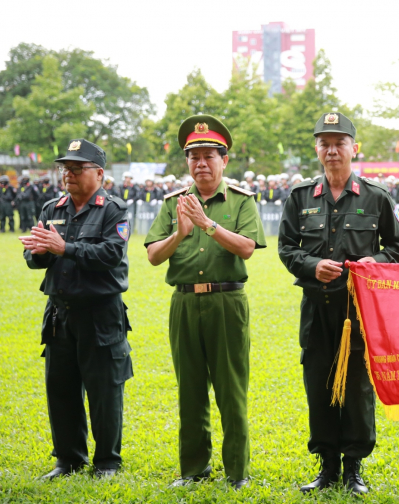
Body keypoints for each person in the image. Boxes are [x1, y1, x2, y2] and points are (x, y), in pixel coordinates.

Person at [278, 112, 399, 496]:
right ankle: (327, 466)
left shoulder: (376, 197)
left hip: (358, 311)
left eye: (340, 143)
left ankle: (354, 468)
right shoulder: (300, 197)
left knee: (356, 388)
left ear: (355, 148)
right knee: (318, 383)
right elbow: (286, 248)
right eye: (325, 143)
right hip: (316, 308)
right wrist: (311, 264)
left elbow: (398, 248)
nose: (332, 150)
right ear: (317, 149)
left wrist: (377, 263)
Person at [144, 115, 264, 490]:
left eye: (209, 156)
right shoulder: (173, 204)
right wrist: (181, 233)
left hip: (226, 302)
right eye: (193, 157)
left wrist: (208, 225)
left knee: (231, 389)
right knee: (190, 389)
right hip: (184, 305)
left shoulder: (241, 201)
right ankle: (194, 470)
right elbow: (152, 256)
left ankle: (237, 473)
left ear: (223, 160)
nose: (201, 163)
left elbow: (247, 248)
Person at [19, 139, 133, 479]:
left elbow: (110, 254)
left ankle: (107, 462)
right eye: (64, 168)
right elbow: (34, 259)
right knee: (61, 387)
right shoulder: (52, 208)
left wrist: (64, 247)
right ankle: (68, 460)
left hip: (100, 313)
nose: (68, 174)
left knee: (104, 389)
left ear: (98, 173)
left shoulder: (114, 209)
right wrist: (39, 251)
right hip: (60, 313)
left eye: (76, 168)